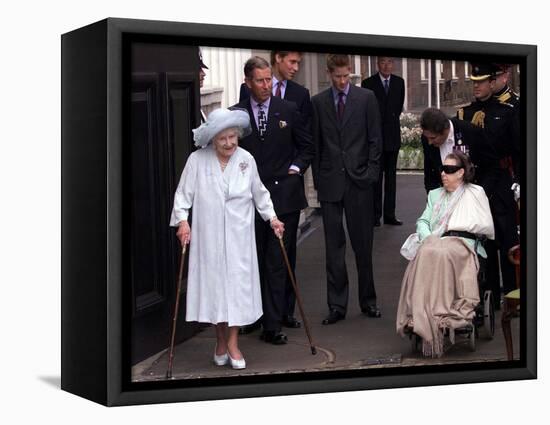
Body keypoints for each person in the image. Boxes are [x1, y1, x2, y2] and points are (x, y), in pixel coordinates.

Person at [170, 108, 285, 369]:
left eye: (233, 137)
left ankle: (233, 344)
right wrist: (183, 222)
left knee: (237, 290)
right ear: (212, 139)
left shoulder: (246, 159)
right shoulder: (197, 160)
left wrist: (273, 218)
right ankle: (219, 340)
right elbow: (182, 195)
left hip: (239, 238)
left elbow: (260, 193)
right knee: (215, 291)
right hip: (208, 238)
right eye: (223, 139)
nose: (229, 143)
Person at [233, 56, 314, 344]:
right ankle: (252, 316)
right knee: (251, 260)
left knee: (277, 260)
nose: (267, 85)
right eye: (260, 80)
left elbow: (306, 147)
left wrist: (295, 170)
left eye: (269, 79)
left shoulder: (288, 109)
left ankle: (273, 323)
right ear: (248, 83)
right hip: (248, 201)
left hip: (284, 196)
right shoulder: (237, 114)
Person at [396, 151, 495, 357]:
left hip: (463, 243)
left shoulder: (475, 193)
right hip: (436, 242)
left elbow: (485, 225)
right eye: (443, 169)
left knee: (439, 252)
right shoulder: (435, 195)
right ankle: (422, 311)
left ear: (461, 173)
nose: (443, 173)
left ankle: (438, 311)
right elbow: (423, 221)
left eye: (449, 170)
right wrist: (428, 237)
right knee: (428, 250)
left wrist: (444, 236)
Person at [311, 54, 382, 324]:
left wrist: (372, 173)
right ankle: (337, 306)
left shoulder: (365, 99)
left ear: (350, 72)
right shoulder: (318, 102)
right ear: (329, 74)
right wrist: (318, 180)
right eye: (337, 77)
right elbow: (317, 145)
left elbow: (375, 138)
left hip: (360, 181)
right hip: (331, 183)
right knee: (334, 248)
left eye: (345, 76)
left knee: (363, 245)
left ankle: (368, 301)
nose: (342, 82)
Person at [457, 63, 519, 302]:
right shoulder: (466, 113)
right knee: (485, 240)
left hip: (502, 182)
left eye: (481, 82)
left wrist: (520, 181)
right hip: (478, 182)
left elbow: (517, 148)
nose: (477, 87)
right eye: (473, 82)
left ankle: (513, 296)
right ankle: (490, 295)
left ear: (492, 82)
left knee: (506, 239)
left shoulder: (507, 110)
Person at [361, 57, 405, 226]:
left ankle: (390, 215)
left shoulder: (399, 83)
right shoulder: (368, 83)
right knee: (376, 178)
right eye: (383, 62)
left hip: (393, 137)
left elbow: (398, 107)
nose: (386, 65)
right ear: (377, 64)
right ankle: (375, 216)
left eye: (389, 62)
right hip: (375, 138)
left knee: (391, 179)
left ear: (393, 64)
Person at [420, 107, 496, 193]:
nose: (429, 142)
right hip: (444, 197)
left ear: (445, 130)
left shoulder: (470, 132)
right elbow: (429, 172)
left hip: (472, 194)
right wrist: (433, 197)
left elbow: (491, 167)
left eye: (433, 138)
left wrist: (481, 193)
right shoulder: (426, 139)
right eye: (427, 138)